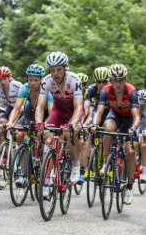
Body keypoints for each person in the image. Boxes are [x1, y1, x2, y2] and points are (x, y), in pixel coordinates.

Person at [35, 51, 84, 196]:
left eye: (59, 69)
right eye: (52, 70)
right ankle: (47, 181)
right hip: (58, 111)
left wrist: (72, 123)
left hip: (74, 112)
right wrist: (39, 123)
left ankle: (75, 163)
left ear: (65, 68)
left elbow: (79, 107)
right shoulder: (47, 81)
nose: (55, 73)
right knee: (47, 138)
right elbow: (39, 106)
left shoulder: (74, 80)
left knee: (70, 132)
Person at [91, 64, 140, 205]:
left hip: (130, 120)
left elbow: (136, 116)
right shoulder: (106, 90)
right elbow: (99, 112)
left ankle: (129, 187)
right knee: (108, 128)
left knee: (130, 151)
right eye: (114, 80)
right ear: (110, 80)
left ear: (125, 79)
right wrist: (94, 124)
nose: (118, 83)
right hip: (115, 116)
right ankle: (106, 160)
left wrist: (133, 128)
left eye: (121, 80)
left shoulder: (132, 92)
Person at [81, 67, 110, 182]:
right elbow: (86, 107)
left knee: (106, 141)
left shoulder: (111, 90)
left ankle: (108, 165)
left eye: (104, 82)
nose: (101, 84)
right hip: (97, 114)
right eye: (99, 82)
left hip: (109, 115)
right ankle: (86, 168)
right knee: (90, 138)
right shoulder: (92, 89)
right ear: (95, 81)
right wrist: (82, 122)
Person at [0, 66, 22, 143]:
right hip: (9, 108)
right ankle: (4, 151)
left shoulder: (17, 85)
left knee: (15, 130)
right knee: (1, 127)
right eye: (0, 79)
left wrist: (15, 120)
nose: (2, 81)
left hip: (20, 108)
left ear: (9, 77)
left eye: (4, 78)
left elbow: (24, 102)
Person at [138, 90, 146, 182]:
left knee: (144, 146)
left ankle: (144, 173)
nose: (142, 103)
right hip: (136, 128)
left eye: (144, 101)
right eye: (140, 100)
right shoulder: (134, 106)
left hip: (144, 129)